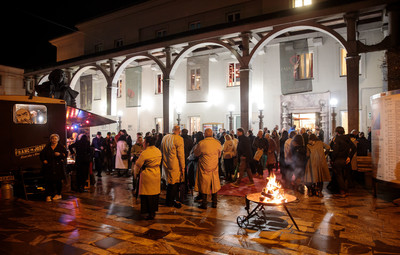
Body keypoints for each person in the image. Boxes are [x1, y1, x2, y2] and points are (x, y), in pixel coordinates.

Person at [134, 136, 162, 220]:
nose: (143, 143)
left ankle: (148, 212)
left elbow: (138, 164)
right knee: (154, 195)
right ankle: (153, 212)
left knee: (147, 195)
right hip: (156, 173)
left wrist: (136, 173)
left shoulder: (145, 153)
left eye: (144, 142)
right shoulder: (158, 151)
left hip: (147, 175)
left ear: (148, 143)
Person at [194, 128, 222, 209]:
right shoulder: (217, 143)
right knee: (214, 185)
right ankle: (214, 202)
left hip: (204, 166)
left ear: (205, 134)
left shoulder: (202, 143)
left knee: (204, 185)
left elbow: (196, 153)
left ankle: (204, 203)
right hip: (214, 166)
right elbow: (219, 155)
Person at [161, 125, 185, 208]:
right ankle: (170, 202)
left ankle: (169, 200)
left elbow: (162, 150)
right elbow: (181, 155)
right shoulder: (179, 139)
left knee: (169, 183)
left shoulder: (165, 137)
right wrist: (183, 167)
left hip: (165, 162)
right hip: (174, 164)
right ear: (179, 131)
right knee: (174, 183)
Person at [40, 134, 68, 202]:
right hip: (49, 167)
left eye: (55, 138)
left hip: (58, 167)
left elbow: (65, 154)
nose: (54, 140)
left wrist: (60, 154)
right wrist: (44, 160)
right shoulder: (48, 147)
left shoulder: (60, 147)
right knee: (49, 181)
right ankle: (49, 194)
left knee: (58, 181)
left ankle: (58, 194)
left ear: (58, 139)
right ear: (50, 140)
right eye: (52, 138)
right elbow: (42, 154)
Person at [330, 126, 356, 197]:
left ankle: (343, 191)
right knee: (345, 176)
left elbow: (335, 151)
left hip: (338, 160)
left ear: (337, 132)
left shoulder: (337, 139)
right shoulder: (347, 138)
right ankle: (346, 190)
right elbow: (354, 148)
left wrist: (332, 159)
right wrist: (349, 157)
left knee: (339, 176)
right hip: (346, 160)